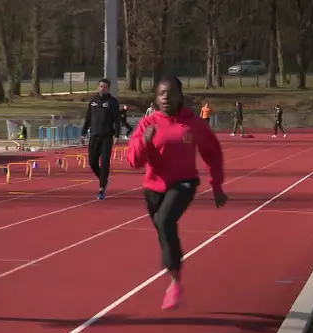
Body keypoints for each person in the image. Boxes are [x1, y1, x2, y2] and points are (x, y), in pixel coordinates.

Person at [126, 75, 228, 310]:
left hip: (184, 183)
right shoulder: (147, 124)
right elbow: (134, 161)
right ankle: (174, 274)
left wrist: (217, 185)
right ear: (156, 98)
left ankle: (175, 281)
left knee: (164, 220)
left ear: (180, 96)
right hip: (153, 188)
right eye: (161, 94)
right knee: (163, 229)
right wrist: (145, 142)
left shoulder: (193, 123)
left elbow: (212, 153)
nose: (166, 98)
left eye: (171, 94)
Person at [80, 78, 121, 200]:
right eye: (101, 86)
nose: (102, 88)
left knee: (104, 163)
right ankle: (103, 178)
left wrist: (117, 135)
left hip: (107, 137)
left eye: (105, 87)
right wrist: (83, 133)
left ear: (108, 88)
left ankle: (102, 188)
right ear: (98, 87)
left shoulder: (112, 102)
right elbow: (88, 118)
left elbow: (117, 120)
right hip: (94, 136)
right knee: (92, 162)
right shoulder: (93, 101)